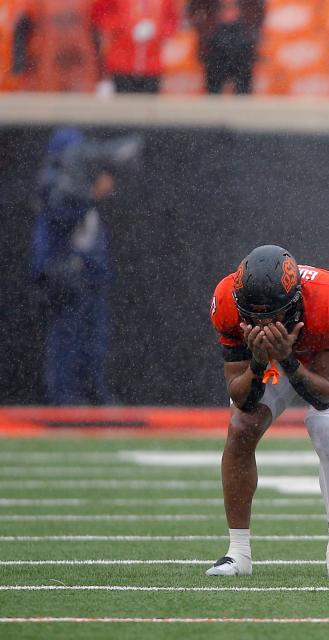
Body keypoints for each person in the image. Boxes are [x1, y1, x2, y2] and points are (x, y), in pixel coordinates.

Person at [207, 245, 329, 578]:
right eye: (253, 315)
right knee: (240, 428)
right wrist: (258, 362)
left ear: (295, 302)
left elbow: (325, 395)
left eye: (272, 314)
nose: (263, 323)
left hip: (323, 350)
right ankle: (238, 553)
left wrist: (290, 362)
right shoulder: (226, 301)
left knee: (324, 425)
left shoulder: (326, 302)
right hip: (275, 356)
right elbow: (242, 397)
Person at [32, 127, 142, 405]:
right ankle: (63, 396)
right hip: (64, 273)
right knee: (67, 336)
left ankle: (94, 394)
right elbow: (61, 212)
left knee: (94, 339)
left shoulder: (77, 182)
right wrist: (91, 194)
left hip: (90, 274)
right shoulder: (54, 182)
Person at [90, 0, 179, 94]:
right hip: (122, 66)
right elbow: (100, 16)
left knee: (148, 106)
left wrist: (157, 29)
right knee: (124, 105)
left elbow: (172, 22)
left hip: (152, 67)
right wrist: (125, 26)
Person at [11, 0, 99, 92]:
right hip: (46, 67)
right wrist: (19, 63)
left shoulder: (88, 3)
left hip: (78, 67)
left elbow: (97, 31)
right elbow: (21, 29)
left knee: (78, 102)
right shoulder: (34, 3)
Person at [186, 0, 264, 95]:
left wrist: (249, 29)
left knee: (243, 88)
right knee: (213, 88)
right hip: (213, 38)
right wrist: (206, 27)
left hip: (242, 38)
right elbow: (193, 11)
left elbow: (259, 11)